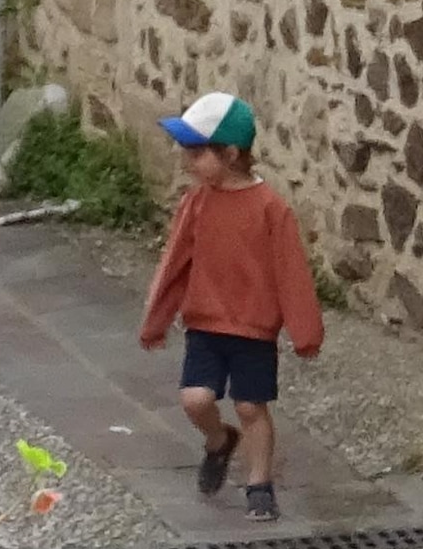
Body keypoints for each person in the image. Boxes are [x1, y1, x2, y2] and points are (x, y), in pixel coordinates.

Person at [133, 91, 322, 521]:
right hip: (205, 325)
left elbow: (291, 273)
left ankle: (260, 484)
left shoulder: (271, 209)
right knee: (195, 400)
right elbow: (175, 262)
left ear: (231, 153)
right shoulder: (196, 203)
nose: (187, 162)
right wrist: (156, 320)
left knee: (251, 407)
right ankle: (219, 442)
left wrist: (305, 331)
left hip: (253, 330)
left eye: (197, 154)